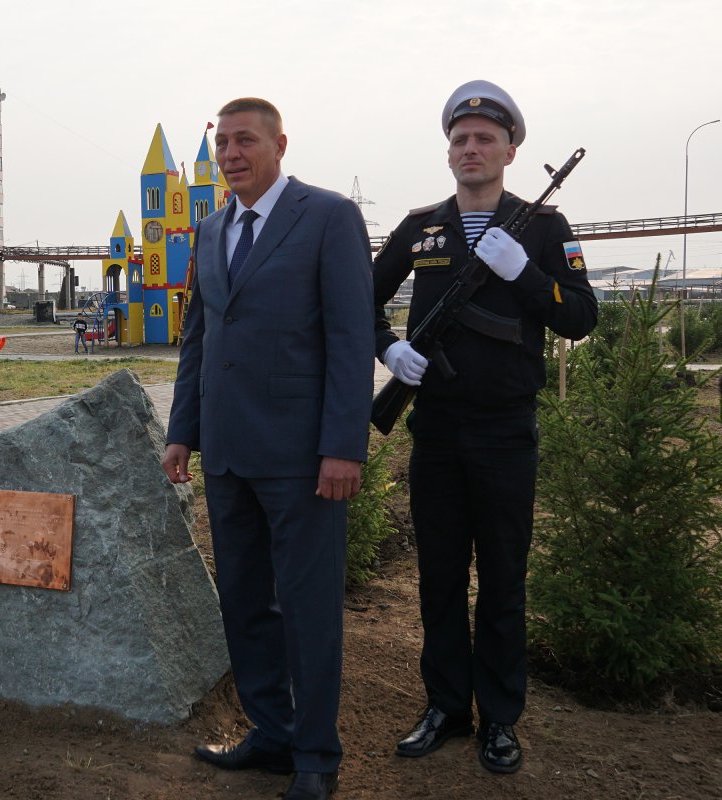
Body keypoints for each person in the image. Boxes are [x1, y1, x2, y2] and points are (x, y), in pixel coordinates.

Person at [373, 81, 597, 774]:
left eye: (485, 139)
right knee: (439, 577)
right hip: (436, 432)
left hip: (505, 434)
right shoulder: (421, 227)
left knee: (503, 579)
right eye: (461, 139)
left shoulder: (544, 228)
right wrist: (388, 350)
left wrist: (525, 275)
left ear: (510, 151)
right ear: (449, 153)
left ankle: (499, 717)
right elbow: (358, 300)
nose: (471, 148)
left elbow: (580, 317)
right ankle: (445, 706)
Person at [162, 97, 374, 800]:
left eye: (245, 140)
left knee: (309, 611)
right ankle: (272, 734)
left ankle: (316, 755)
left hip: (303, 460)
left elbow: (351, 338)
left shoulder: (328, 217)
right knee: (246, 603)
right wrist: (182, 430)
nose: (231, 154)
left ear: (280, 144)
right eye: (223, 142)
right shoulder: (211, 228)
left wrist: (343, 446)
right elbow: (199, 339)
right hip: (227, 453)